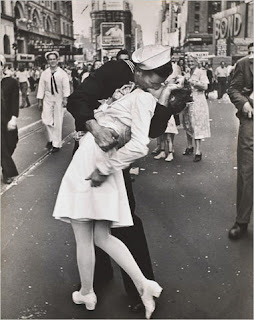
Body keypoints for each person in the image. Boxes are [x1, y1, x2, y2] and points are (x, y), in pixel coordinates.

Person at [53, 45, 179, 319]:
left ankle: (137, 287)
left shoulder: (152, 89)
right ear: (143, 72)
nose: (157, 84)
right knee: (91, 221)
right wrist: (95, 128)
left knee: (123, 219)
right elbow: (78, 100)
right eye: (156, 79)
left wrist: (165, 103)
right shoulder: (115, 70)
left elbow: (153, 131)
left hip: (115, 157)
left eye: (162, 81)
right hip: (93, 144)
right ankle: (97, 279)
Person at [227, 42, 253, 240]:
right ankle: (241, 221)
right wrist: (244, 103)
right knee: (247, 171)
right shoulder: (244, 64)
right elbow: (233, 89)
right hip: (251, 122)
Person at [37, 51, 70, 153]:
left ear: (57, 60)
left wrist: (65, 98)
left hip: (58, 99)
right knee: (46, 120)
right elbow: (41, 87)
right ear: (48, 61)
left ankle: (56, 144)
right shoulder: (44, 73)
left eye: (54, 59)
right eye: (50, 59)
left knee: (58, 121)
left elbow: (66, 87)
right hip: (48, 98)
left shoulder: (62, 74)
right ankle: (51, 139)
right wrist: (39, 100)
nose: (52, 61)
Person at [182, 54, 211, 162]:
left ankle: (198, 151)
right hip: (188, 100)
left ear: (196, 61)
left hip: (198, 100)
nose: (190, 63)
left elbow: (205, 86)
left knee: (197, 124)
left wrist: (192, 82)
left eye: (191, 61)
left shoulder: (201, 72)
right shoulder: (187, 72)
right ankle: (190, 146)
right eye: (188, 61)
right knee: (188, 123)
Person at [0, 55, 19, 184]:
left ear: (3, 66)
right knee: (1, 146)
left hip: (7, 118)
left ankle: (4, 164)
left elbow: (15, 101)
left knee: (12, 142)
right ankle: (8, 172)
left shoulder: (11, 82)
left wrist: (13, 118)